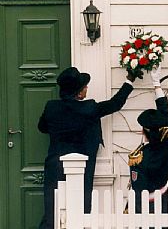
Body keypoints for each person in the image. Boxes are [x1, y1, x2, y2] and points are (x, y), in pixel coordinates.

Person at [38, 66, 143, 229]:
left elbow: (42, 127)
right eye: (84, 86)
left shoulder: (51, 107)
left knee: (52, 211)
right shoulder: (89, 108)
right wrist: (129, 81)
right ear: (79, 93)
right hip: (82, 168)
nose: (87, 88)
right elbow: (115, 103)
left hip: (55, 165)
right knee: (81, 211)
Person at [127, 65, 168, 217]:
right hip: (163, 202)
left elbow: (138, 187)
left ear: (144, 131)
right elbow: (166, 117)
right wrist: (157, 85)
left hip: (145, 207)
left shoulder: (142, 156)